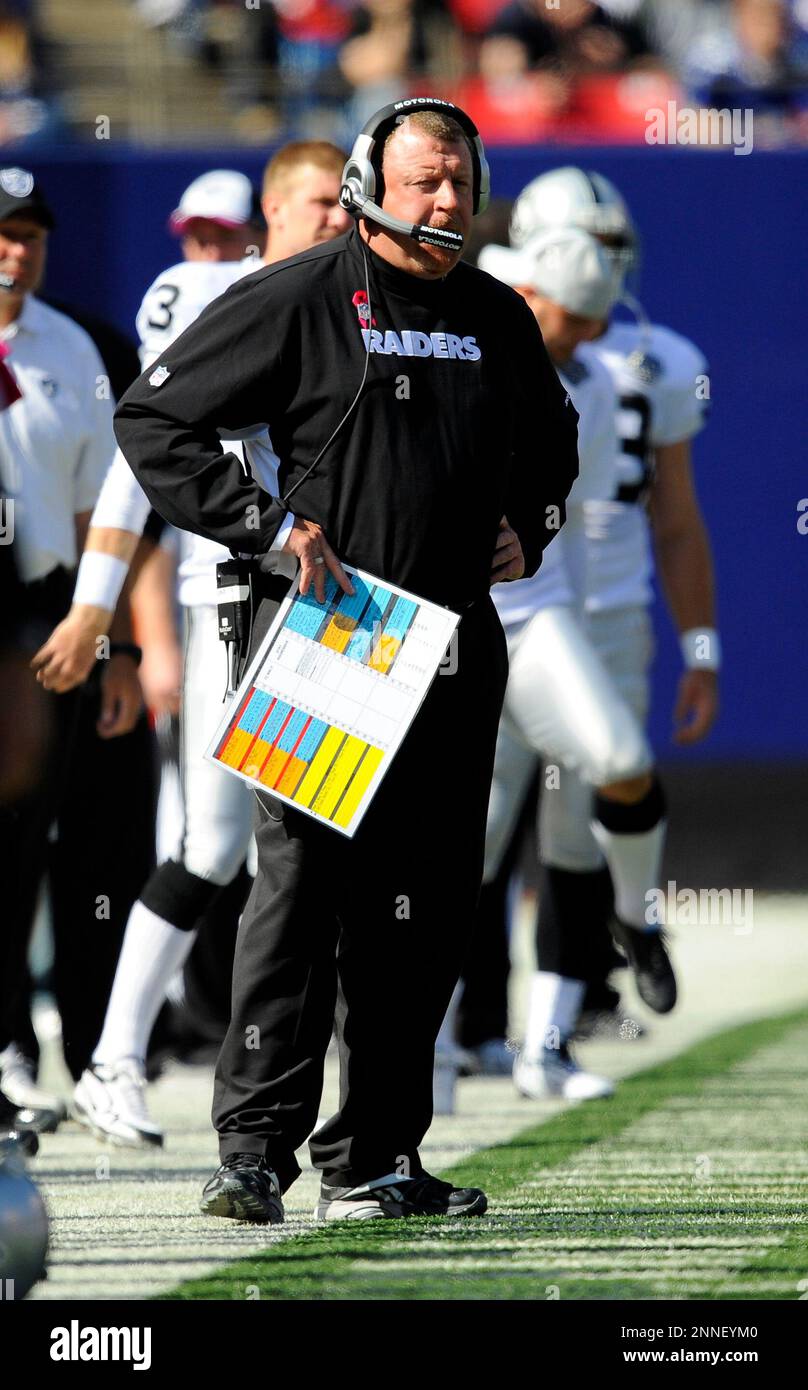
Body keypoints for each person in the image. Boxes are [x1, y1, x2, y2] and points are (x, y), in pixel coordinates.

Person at [113, 97, 579, 1223]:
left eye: (460, 179)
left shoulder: (492, 313)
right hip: (334, 633)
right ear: (372, 181)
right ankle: (253, 1154)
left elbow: (553, 440)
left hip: (456, 641)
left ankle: (375, 1156)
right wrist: (263, 523)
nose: (447, 199)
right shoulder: (299, 293)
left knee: (420, 909)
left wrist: (534, 520)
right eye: (424, 178)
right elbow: (153, 419)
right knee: (298, 896)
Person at [31, 149, 353, 1147]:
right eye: (319, 203)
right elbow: (145, 446)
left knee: (305, 842)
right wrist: (98, 605)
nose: (340, 219)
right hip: (238, 593)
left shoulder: (368, 302)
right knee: (225, 843)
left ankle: (361, 1078)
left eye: (349, 201)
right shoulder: (211, 292)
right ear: (273, 212)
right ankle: (119, 1057)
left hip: (343, 607)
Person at [461, 166, 718, 1056]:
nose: (602, 279)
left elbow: (674, 519)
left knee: (581, 820)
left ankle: (553, 1032)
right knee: (476, 830)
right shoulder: (479, 323)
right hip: (497, 610)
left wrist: (703, 646)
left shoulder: (630, 369)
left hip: (586, 609)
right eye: (587, 251)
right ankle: (458, 1036)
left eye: (614, 252)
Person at [0, 168, 142, 1125]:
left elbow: (107, 505)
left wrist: (119, 641)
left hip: (41, 614)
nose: (16, 249)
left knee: (22, 840)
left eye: (30, 234)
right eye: (1, 233)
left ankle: (14, 1045)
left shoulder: (84, 344)